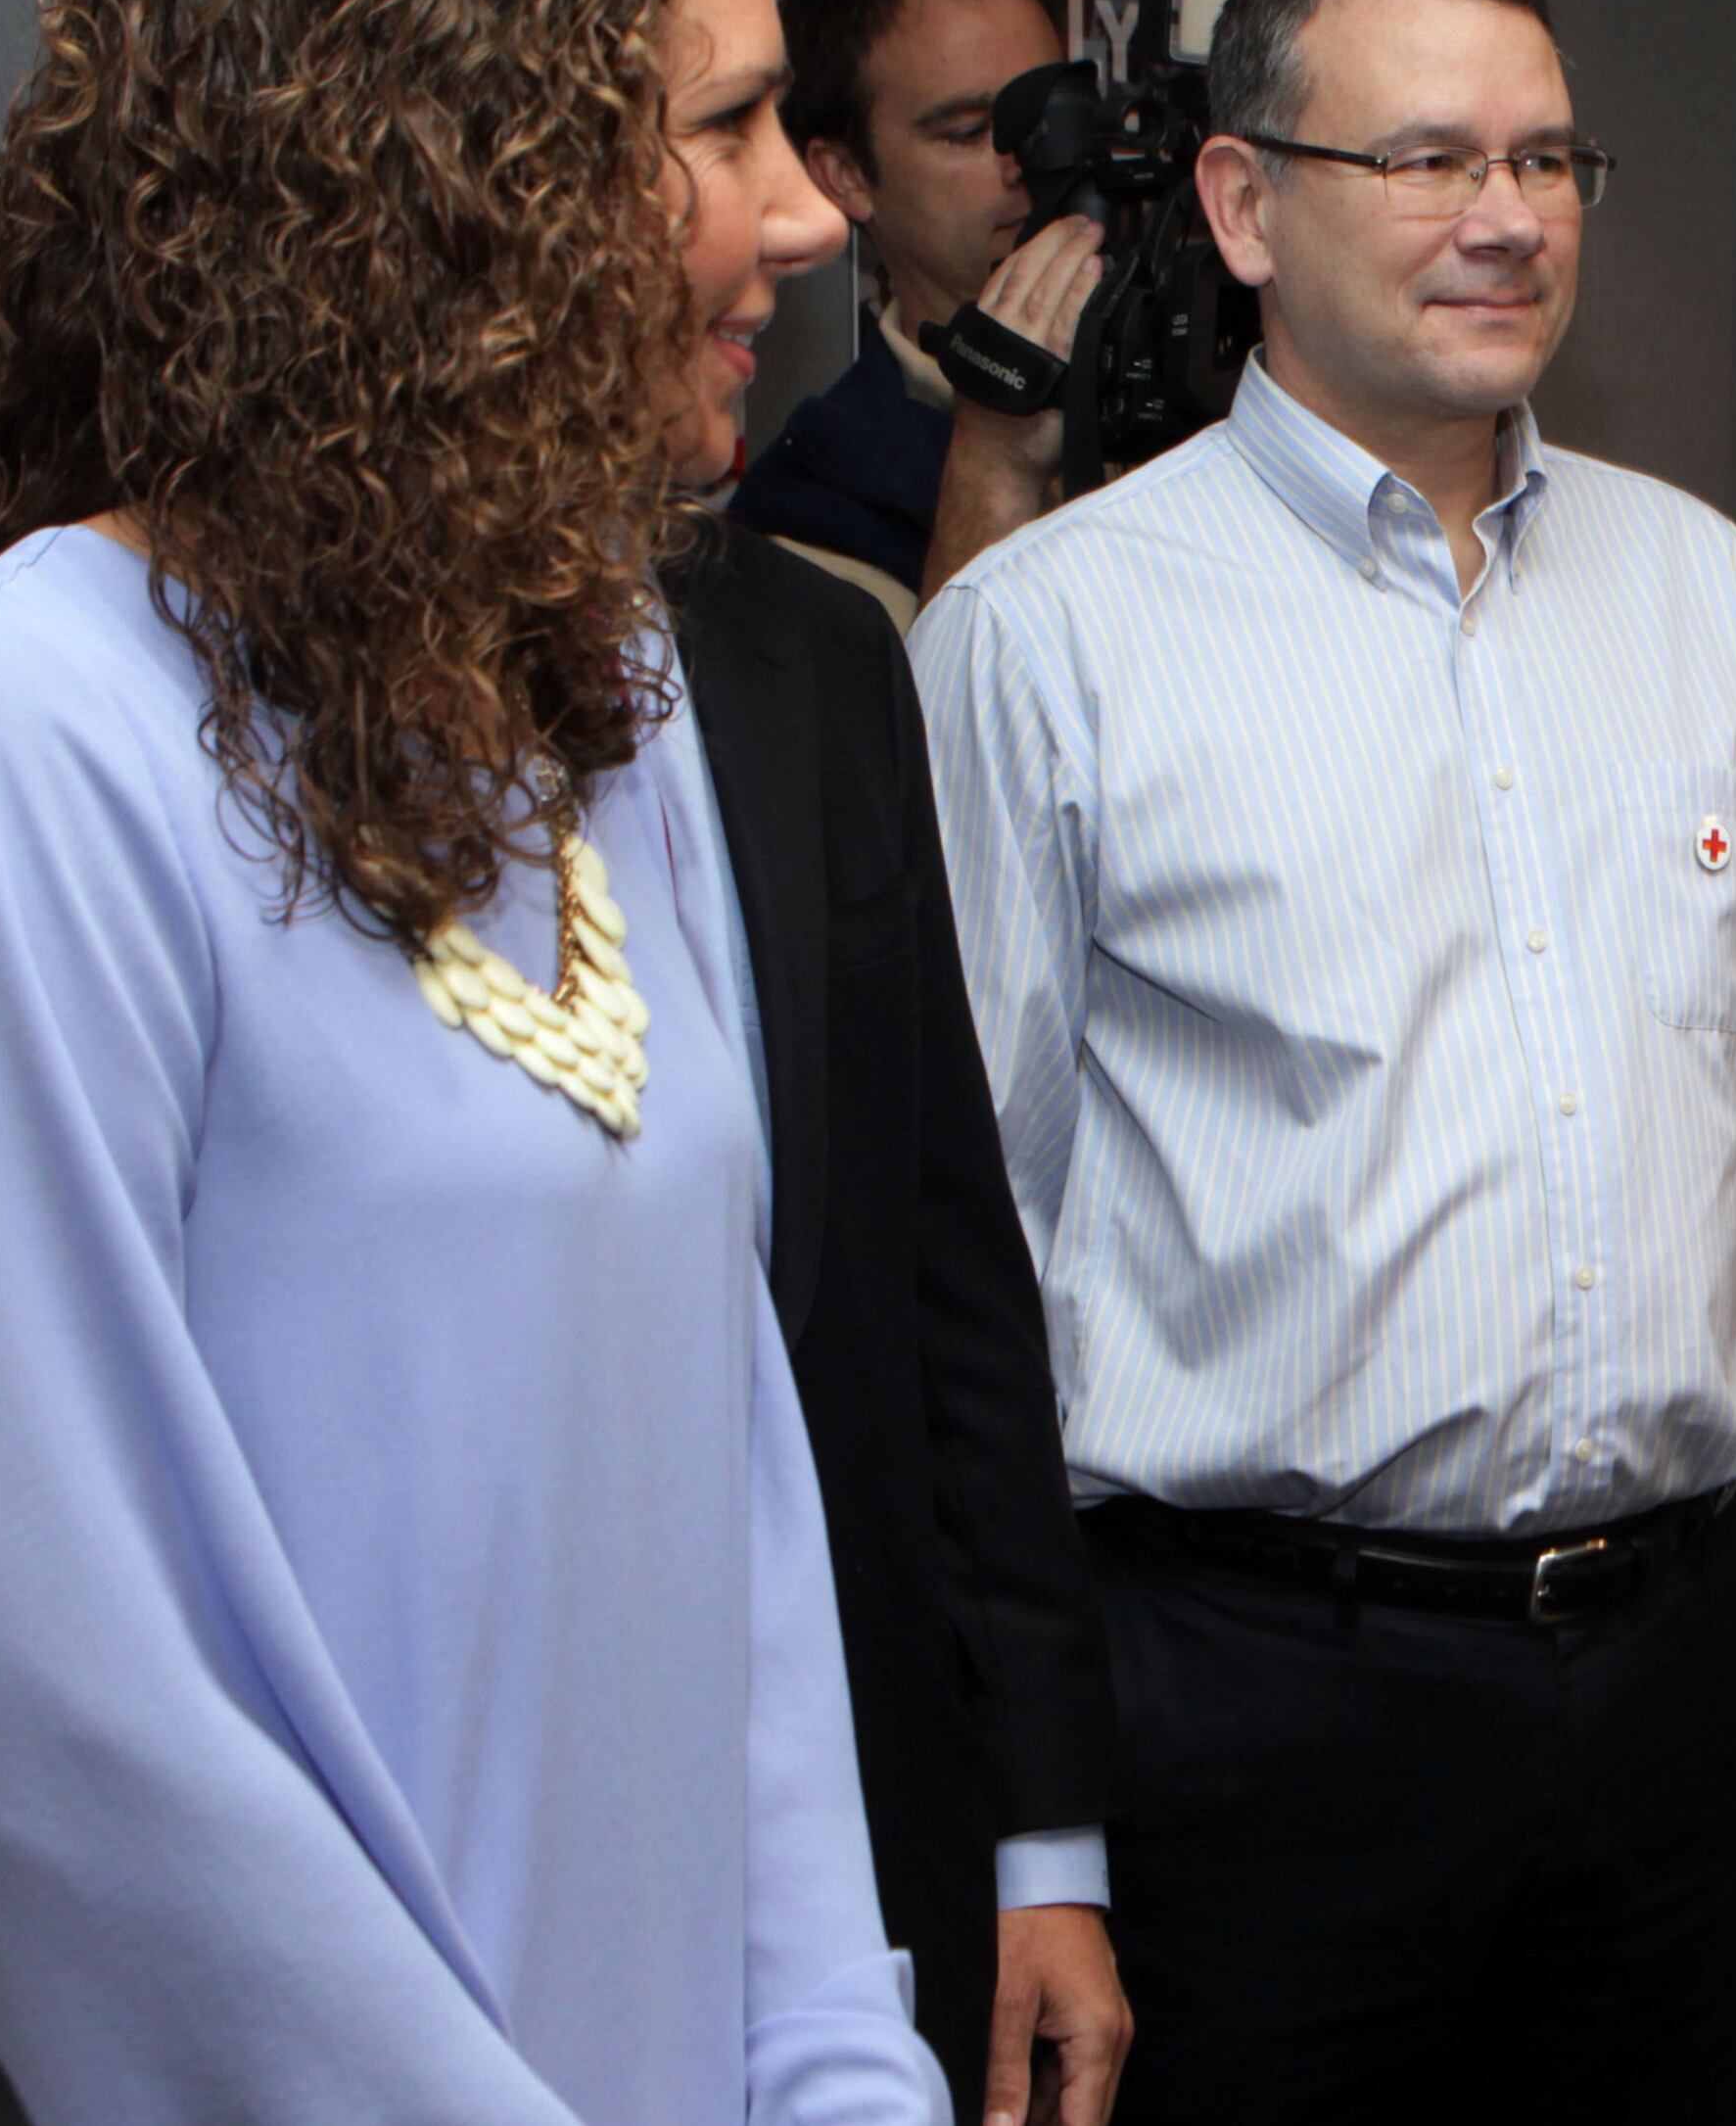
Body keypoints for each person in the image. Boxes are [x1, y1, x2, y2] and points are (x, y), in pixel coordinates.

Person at [0, 0, 950, 2122]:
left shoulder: (615, 698)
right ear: (437, 178)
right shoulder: (0, 740)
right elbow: (71, 1729)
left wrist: (836, 2066)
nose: (809, 212)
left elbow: (743, 1508)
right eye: (722, 126)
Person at [906, 0, 1736, 2123]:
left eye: (1551, 160)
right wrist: (1041, 1831)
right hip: (1247, 1725)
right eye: (1432, 158)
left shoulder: (1706, 596)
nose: (1507, 216)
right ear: (1244, 204)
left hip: (1680, 1696)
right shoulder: (1049, 641)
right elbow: (954, 1273)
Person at [667, 282, 1130, 2110]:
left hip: (847, 1816)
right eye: (724, 130)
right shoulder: (93, 716)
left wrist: (1043, 1843)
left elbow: (951, 1263)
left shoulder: (810, 653)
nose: (801, 219)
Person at [732, 0, 1106, 628]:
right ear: (846, 178)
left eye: (1051, 117)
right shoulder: (811, 516)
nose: (1026, 162)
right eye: (970, 132)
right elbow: (926, 736)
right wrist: (989, 472)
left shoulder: (1191, 385)